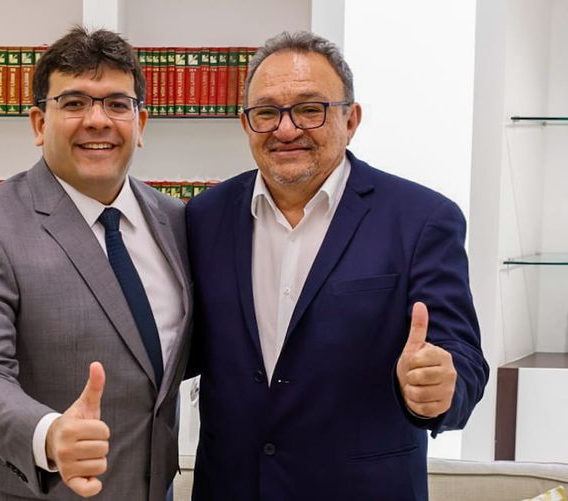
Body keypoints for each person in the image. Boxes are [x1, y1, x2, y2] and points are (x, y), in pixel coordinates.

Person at [185, 31, 489, 500]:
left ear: (351, 119)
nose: (286, 130)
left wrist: (441, 387)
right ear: (246, 124)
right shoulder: (204, 217)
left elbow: (460, 355)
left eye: (310, 109)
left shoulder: (422, 219)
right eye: (266, 112)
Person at [0, 26, 191, 501]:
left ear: (141, 123)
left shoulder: (176, 221)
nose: (98, 120)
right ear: (38, 124)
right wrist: (49, 434)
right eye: (74, 103)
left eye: (117, 104)